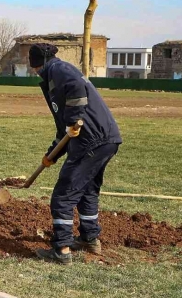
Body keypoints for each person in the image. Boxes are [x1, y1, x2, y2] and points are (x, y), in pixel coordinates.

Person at [29, 43, 122, 265]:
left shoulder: (59, 69)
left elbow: (76, 94)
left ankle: (61, 250)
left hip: (91, 141)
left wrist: (73, 121)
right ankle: (90, 239)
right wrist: (51, 155)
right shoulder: (54, 76)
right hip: (106, 138)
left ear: (35, 64)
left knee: (63, 195)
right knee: (87, 190)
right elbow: (65, 132)